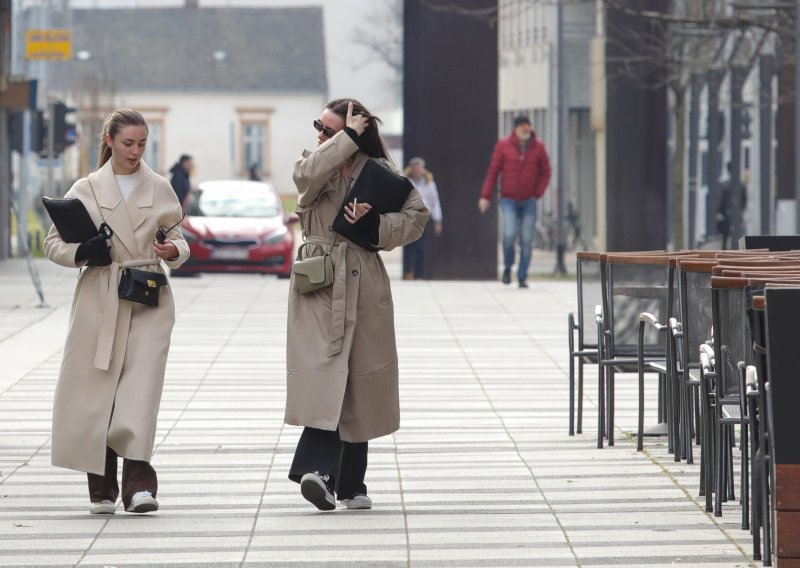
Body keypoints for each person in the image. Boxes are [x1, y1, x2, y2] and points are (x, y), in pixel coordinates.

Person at [285, 98, 429, 511]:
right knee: (325, 373)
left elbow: (416, 217)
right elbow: (305, 176)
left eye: (327, 130)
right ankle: (328, 476)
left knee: (359, 377)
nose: (320, 136)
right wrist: (345, 138)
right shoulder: (314, 165)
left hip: (363, 277)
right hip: (319, 277)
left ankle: (349, 482)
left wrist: (372, 224)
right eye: (324, 128)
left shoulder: (381, 174)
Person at [43, 109, 190, 515]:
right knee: (97, 391)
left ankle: (139, 484)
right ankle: (101, 485)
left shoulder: (159, 187)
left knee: (140, 390)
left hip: (146, 295)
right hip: (99, 296)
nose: (136, 151)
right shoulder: (86, 188)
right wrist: (82, 253)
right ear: (108, 140)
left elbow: (180, 239)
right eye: (128, 143)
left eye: (142, 143)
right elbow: (52, 243)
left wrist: (171, 250)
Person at [479, 115, 551, 288]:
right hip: (508, 199)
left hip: (528, 201)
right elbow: (493, 172)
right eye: (522, 127)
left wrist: (537, 193)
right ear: (516, 129)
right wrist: (485, 196)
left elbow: (546, 172)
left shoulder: (538, 147)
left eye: (528, 126)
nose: (526, 130)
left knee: (527, 239)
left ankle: (522, 275)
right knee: (509, 235)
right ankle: (508, 267)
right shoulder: (503, 146)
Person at [402, 156, 442, 279]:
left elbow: (434, 202)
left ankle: (419, 274)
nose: (417, 171)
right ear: (412, 169)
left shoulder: (429, 183)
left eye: (419, 169)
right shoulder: (405, 181)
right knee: (408, 245)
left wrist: (437, 220)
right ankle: (408, 272)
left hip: (423, 218)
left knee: (421, 247)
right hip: (409, 217)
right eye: (415, 169)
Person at [717, 162, 747, 250]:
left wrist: (720, 212)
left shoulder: (724, 185)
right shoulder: (742, 185)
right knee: (739, 237)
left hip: (726, 215)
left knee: (725, 239)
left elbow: (721, 201)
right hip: (737, 215)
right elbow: (744, 201)